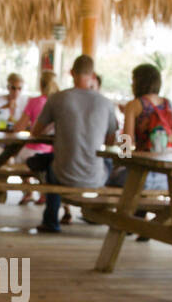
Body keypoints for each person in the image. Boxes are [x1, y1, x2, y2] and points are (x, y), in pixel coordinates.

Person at [27, 55, 117, 233]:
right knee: (110, 163)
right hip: (96, 176)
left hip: (63, 174)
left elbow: (35, 132)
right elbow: (111, 140)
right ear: (93, 75)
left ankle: (51, 221)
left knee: (46, 163)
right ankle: (99, 213)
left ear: (71, 73)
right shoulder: (106, 103)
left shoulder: (57, 99)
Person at [13, 70, 58, 205]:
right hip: (52, 151)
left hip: (33, 151)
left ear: (40, 84)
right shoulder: (58, 103)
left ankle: (28, 191)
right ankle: (41, 192)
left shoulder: (35, 102)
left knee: (18, 156)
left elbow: (19, 128)